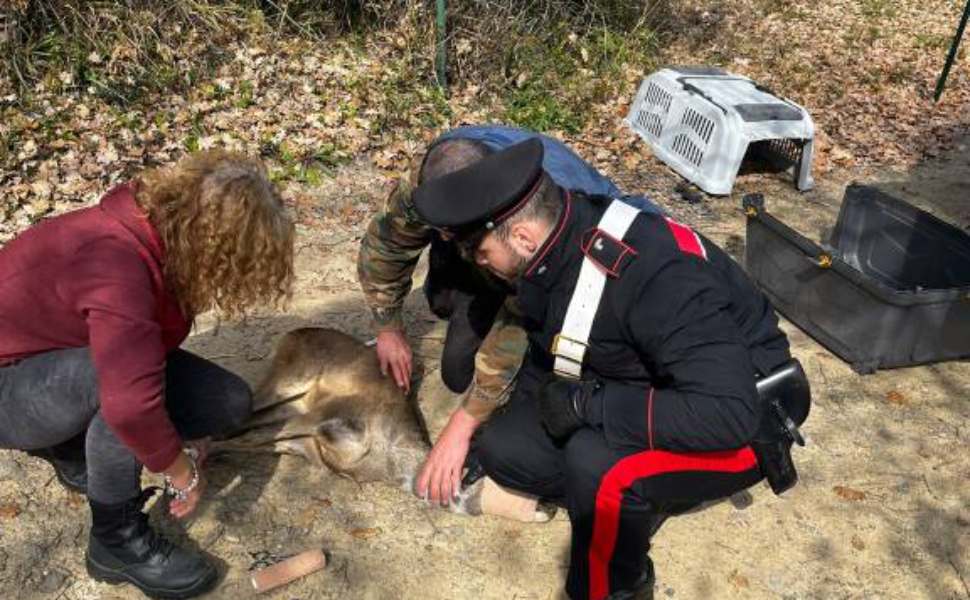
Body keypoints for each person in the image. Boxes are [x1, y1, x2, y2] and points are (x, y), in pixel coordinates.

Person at [411, 139, 809, 600]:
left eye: (478, 253)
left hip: (748, 415)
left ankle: (618, 584)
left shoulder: (658, 276)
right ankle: (633, 498)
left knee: (599, 467)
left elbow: (728, 413)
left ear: (521, 236)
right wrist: (477, 427)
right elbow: (556, 345)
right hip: (650, 383)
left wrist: (588, 404)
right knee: (505, 447)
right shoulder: (553, 246)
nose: (477, 264)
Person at [0, 151, 295, 599]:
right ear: (212, 243)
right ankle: (114, 542)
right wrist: (182, 473)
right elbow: (131, 403)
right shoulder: (114, 263)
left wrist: (178, 433)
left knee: (226, 403)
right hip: (8, 390)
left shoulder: (160, 235)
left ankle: (69, 447)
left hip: (52, 363)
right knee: (114, 387)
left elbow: (147, 350)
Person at [357, 124, 662, 507]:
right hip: (503, 250)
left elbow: (519, 322)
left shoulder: (540, 212)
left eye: (468, 242)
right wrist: (387, 326)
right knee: (455, 366)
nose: (453, 244)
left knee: (526, 380)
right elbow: (385, 245)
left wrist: (465, 423)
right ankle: (484, 287)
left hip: (584, 274)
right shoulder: (429, 181)